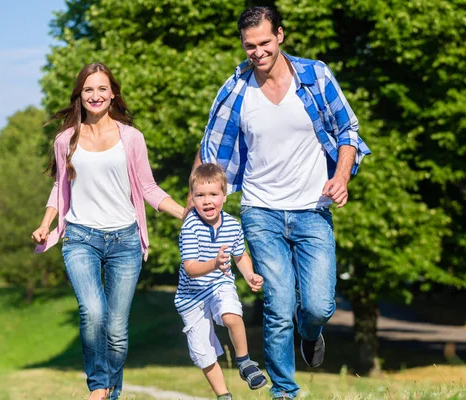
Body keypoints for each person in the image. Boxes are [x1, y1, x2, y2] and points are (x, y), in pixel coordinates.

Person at [191, 6, 371, 399]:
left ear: (281, 36)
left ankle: (311, 333)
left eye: (265, 43)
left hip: (313, 209)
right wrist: (195, 208)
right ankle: (285, 393)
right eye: (249, 45)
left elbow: (348, 130)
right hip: (261, 211)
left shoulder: (315, 76)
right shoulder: (236, 90)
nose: (257, 52)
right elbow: (209, 153)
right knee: (278, 303)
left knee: (320, 306)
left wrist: (340, 177)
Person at [31, 62, 184, 400]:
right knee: (94, 312)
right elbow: (60, 186)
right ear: (80, 95)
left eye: (102, 89)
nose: (96, 95)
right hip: (80, 237)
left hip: (125, 240)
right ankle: (98, 386)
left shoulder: (131, 138)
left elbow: (148, 187)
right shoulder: (65, 140)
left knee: (116, 330)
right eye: (88, 89)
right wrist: (46, 225)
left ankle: (110, 394)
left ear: (112, 93)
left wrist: (184, 212)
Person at [176, 163, 268, 400]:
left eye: (213, 194)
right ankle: (223, 395)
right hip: (191, 296)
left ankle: (245, 362)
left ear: (224, 196)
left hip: (219, 284)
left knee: (230, 315)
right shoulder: (190, 227)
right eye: (200, 195)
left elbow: (240, 255)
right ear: (192, 198)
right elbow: (191, 267)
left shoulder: (232, 225)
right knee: (203, 354)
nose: (207, 201)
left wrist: (249, 275)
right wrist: (214, 263)